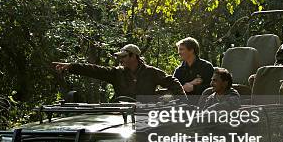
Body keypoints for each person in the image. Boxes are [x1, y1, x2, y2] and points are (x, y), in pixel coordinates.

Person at [52, 44, 185, 99]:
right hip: (120, 115)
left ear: (134, 57)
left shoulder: (151, 72)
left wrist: (183, 102)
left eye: (123, 56)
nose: (120, 60)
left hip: (146, 116)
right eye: (119, 57)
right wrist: (71, 66)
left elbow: (172, 81)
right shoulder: (116, 73)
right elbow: (94, 70)